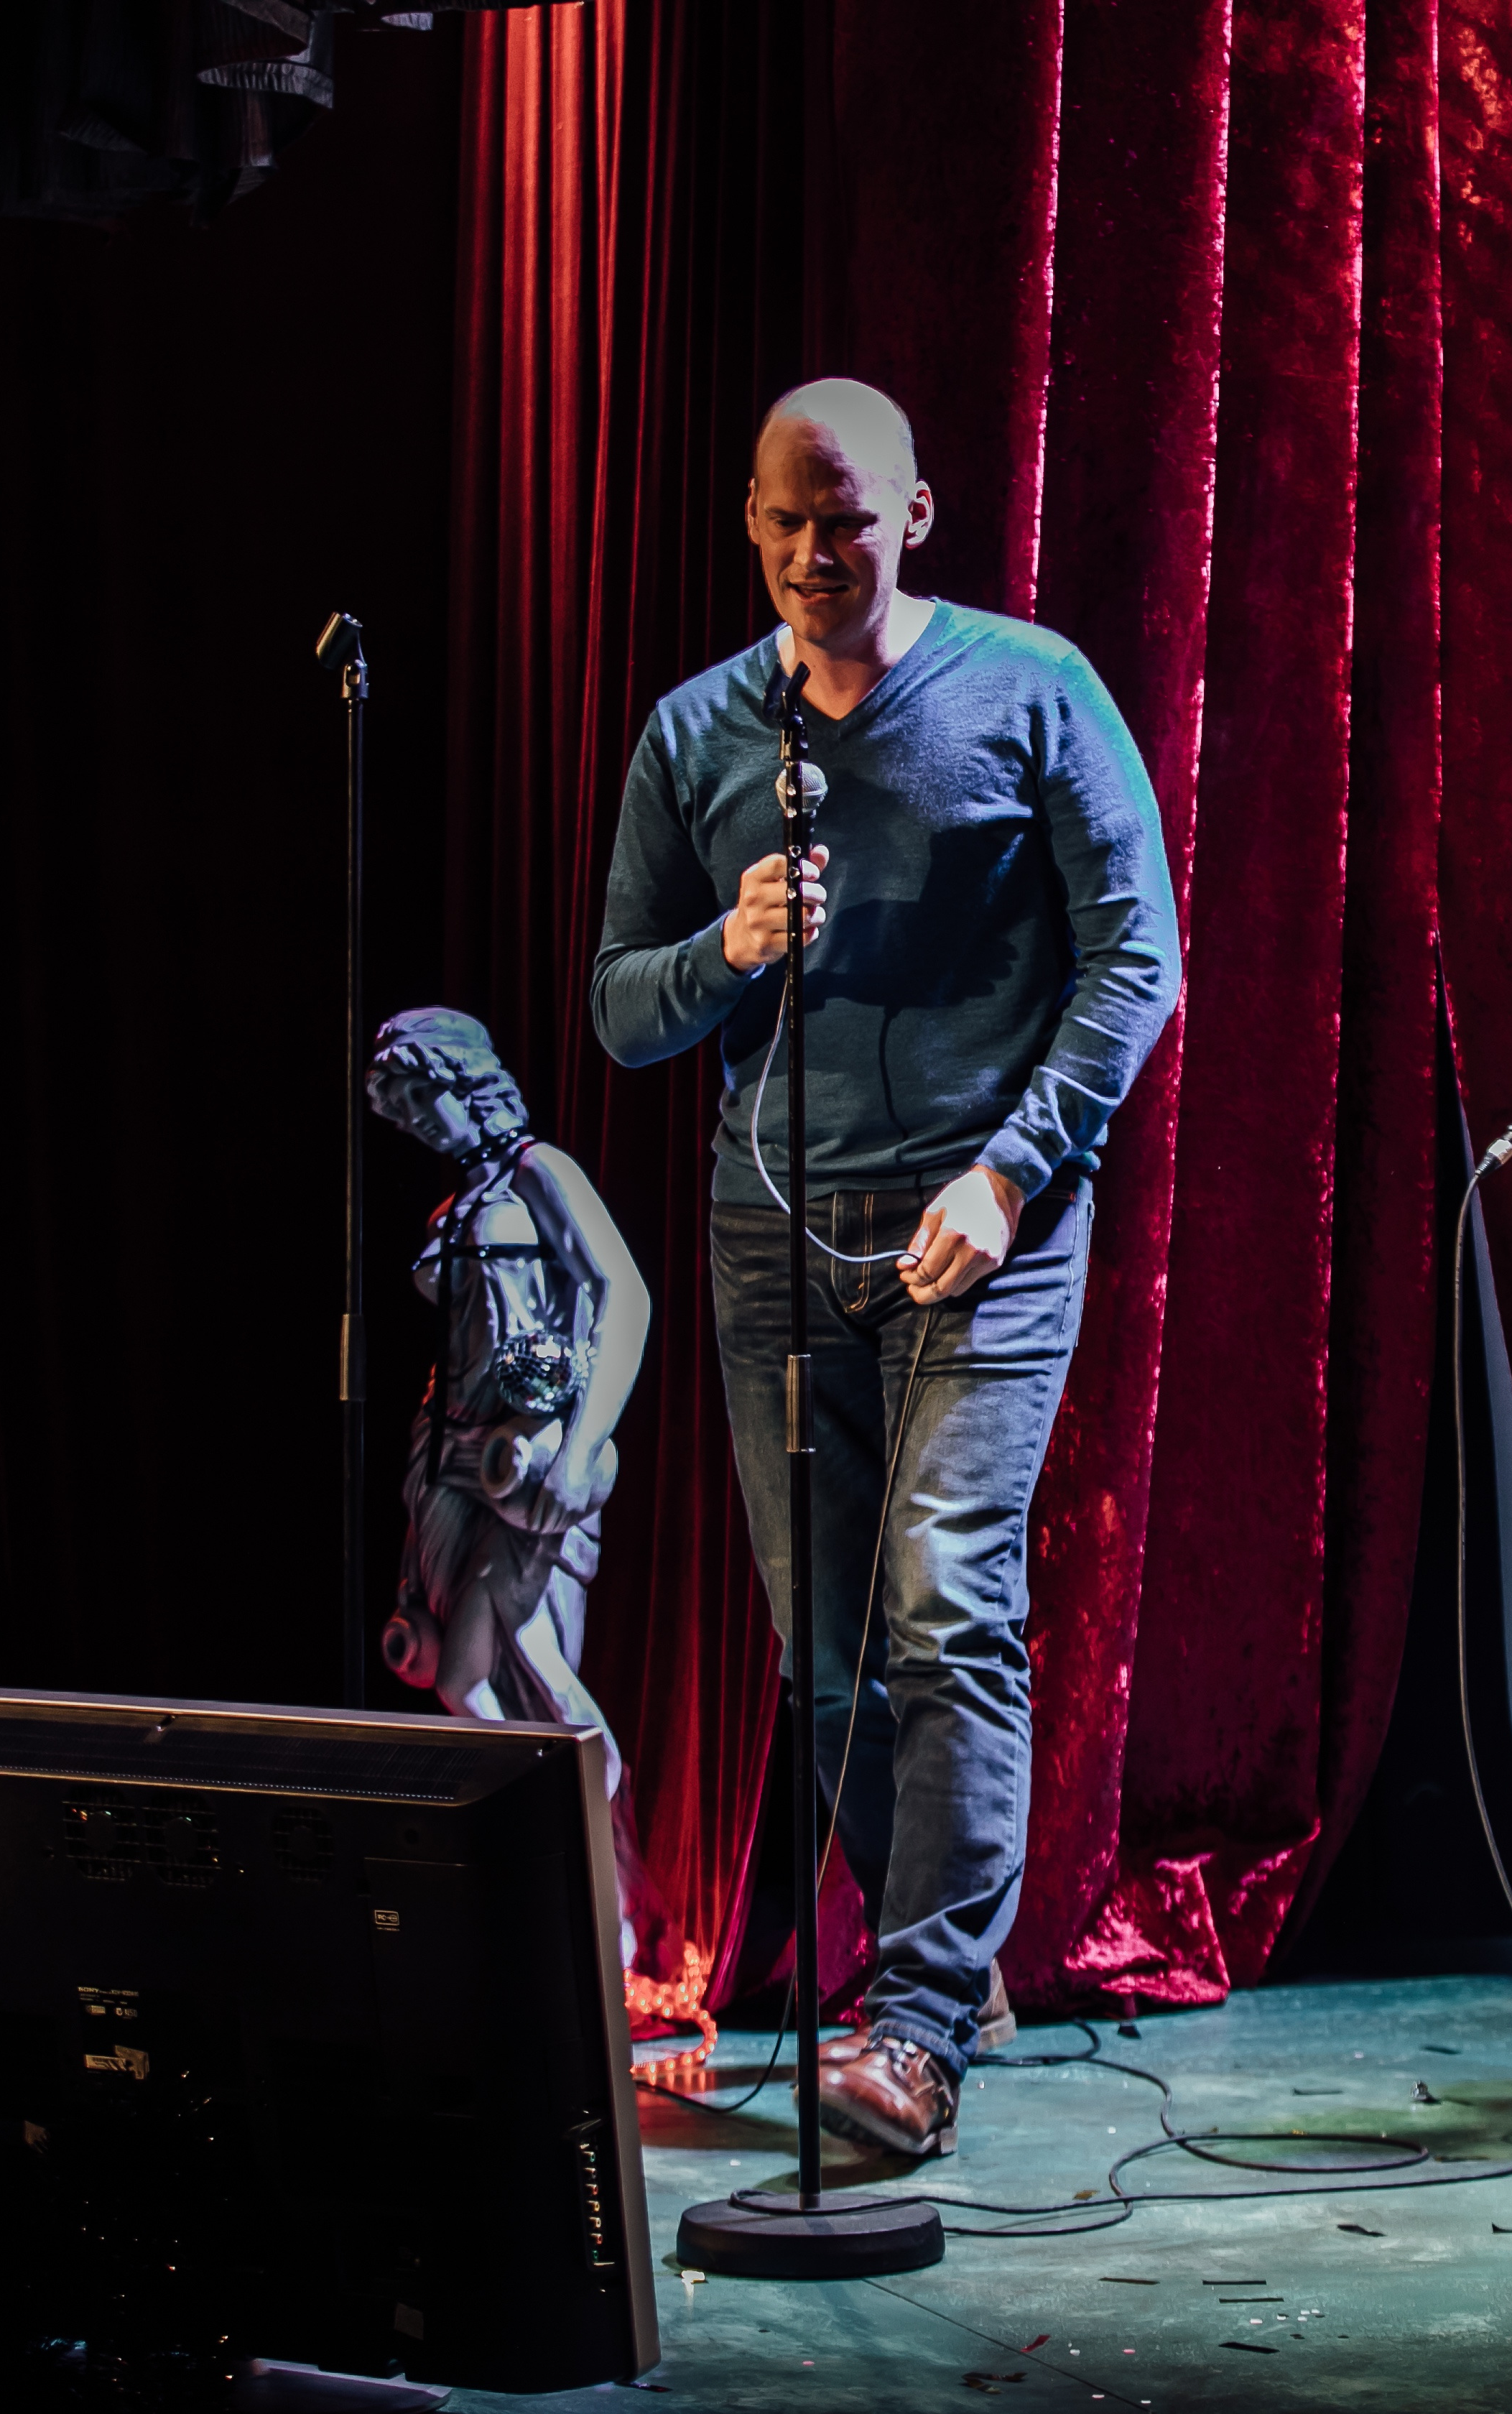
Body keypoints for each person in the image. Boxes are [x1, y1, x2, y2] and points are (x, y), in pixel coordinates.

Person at [590, 378, 1181, 2158]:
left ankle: (914, 2023)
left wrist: (1013, 1175)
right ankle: (954, 1944)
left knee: (944, 1595)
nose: (806, 556)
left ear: (913, 517)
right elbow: (618, 1010)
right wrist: (727, 942)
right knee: (835, 1656)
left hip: (979, 1232)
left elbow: (1135, 962)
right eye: (778, 523)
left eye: (841, 522)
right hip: (775, 1239)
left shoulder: (1030, 687)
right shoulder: (699, 733)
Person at [366, 1009, 649, 1766]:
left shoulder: (539, 1172)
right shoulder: (455, 1207)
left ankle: (590, 1830)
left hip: (521, 1449)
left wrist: (582, 1448)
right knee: (463, 1683)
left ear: (472, 1083)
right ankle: (542, 1822)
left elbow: (625, 1291)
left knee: (533, 1657)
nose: (416, 1120)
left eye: (425, 1096)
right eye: (402, 1106)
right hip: (447, 1452)